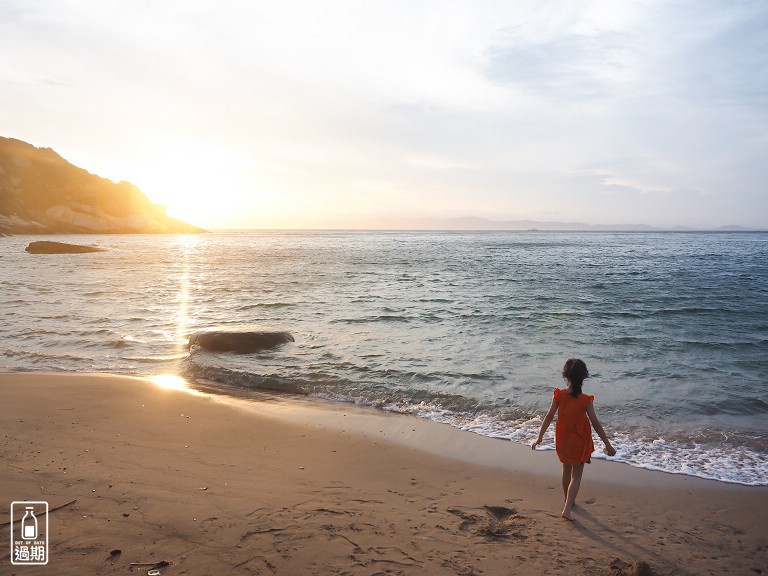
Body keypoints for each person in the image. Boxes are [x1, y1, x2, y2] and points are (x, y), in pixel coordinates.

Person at [531, 358, 616, 521]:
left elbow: (549, 417)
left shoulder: (559, 395)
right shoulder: (586, 400)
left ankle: (567, 501)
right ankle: (568, 508)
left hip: (562, 438)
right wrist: (608, 444)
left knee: (566, 470)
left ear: (565, 375)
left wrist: (539, 437)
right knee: (576, 475)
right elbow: (595, 423)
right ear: (584, 377)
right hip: (579, 440)